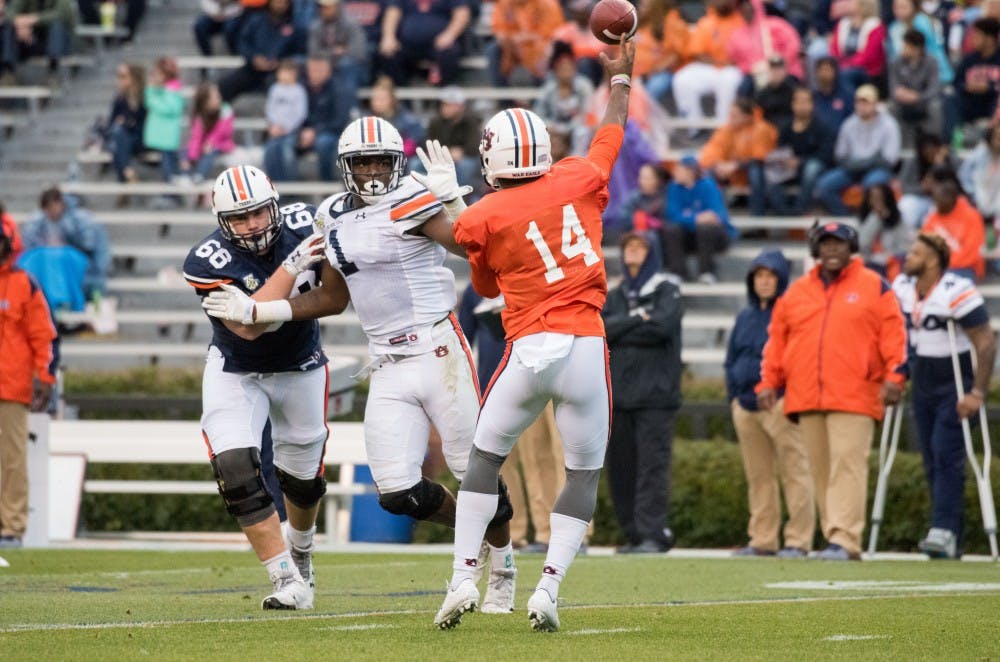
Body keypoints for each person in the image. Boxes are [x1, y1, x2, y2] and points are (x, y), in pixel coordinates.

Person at [202, 120, 516, 612]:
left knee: (470, 468)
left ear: (398, 162)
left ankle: (503, 565)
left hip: (438, 350)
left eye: (379, 161)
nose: (371, 171)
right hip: (386, 359)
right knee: (396, 493)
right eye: (362, 162)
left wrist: (455, 203)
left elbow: (475, 250)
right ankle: (476, 535)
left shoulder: (415, 195)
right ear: (346, 168)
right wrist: (263, 311)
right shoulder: (331, 213)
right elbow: (330, 297)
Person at [434, 37, 636, 632]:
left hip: (531, 347)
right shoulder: (577, 176)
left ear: (492, 159)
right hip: (586, 344)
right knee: (583, 473)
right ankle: (548, 589)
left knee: (483, 459)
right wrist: (620, 78)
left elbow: (478, 274)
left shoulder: (483, 215)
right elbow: (611, 132)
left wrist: (449, 200)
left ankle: (463, 577)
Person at [182, 165, 331, 610]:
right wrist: (291, 266)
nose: (253, 225)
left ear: (276, 205)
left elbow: (336, 291)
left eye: (260, 213)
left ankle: (301, 552)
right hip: (237, 368)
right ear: (222, 221)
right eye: (240, 218)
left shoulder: (309, 222)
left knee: (303, 483)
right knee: (234, 466)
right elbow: (247, 329)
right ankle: (285, 578)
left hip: (301, 365)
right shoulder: (207, 259)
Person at [756, 221, 908, 561]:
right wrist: (768, 381)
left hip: (856, 394)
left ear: (851, 246)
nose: (832, 250)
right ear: (815, 249)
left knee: (847, 466)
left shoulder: (874, 286)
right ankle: (834, 537)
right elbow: (777, 342)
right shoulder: (796, 292)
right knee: (822, 470)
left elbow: (894, 336)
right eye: (825, 244)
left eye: (839, 243)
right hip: (807, 395)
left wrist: (895, 376)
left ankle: (845, 538)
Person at [892, 233, 997, 558]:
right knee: (930, 456)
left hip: (955, 380)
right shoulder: (902, 288)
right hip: (922, 378)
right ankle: (950, 534)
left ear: (934, 258)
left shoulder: (956, 290)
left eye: (915, 252)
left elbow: (985, 340)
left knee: (945, 452)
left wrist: (978, 392)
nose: (908, 256)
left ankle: (944, 529)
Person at [725, 249, 815, 558]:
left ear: (781, 280)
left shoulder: (792, 313)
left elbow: (798, 357)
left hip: (778, 403)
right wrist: (733, 397)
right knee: (758, 477)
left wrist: (786, 396)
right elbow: (732, 358)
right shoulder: (745, 316)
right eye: (759, 276)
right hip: (746, 407)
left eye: (770, 276)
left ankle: (798, 540)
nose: (764, 282)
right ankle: (763, 539)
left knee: (795, 471)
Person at [602, 231, 682, 555]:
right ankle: (633, 533)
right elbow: (603, 329)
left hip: (656, 398)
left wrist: (623, 327)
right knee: (620, 469)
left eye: (640, 246)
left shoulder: (667, 289)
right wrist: (638, 318)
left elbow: (663, 327)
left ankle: (653, 532)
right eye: (628, 246)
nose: (633, 251)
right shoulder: (617, 293)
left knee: (652, 468)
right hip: (620, 397)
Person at [0, 221, 57, 548]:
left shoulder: (25, 284)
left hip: (12, 385)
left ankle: (11, 527)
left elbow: (42, 335)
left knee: (12, 460)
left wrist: (45, 377)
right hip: (12, 382)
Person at [813, 84, 902, 216]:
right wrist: (861, 163)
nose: (862, 106)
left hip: (878, 169)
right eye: (859, 102)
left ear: (876, 103)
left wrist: (863, 163)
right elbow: (840, 155)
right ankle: (845, 218)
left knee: (872, 185)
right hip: (852, 169)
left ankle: (865, 221)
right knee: (823, 186)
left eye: (866, 102)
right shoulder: (849, 124)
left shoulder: (889, 124)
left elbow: (889, 159)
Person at [19, 187, 111, 309]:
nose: (50, 213)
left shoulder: (82, 219)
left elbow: (88, 248)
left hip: (77, 263)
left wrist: (63, 247)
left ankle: (61, 300)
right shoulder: (38, 221)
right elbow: (29, 247)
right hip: (47, 264)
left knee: (57, 256)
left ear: (59, 203)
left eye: (52, 208)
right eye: (47, 210)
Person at [663, 155, 737, 283]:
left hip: (713, 237)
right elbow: (672, 215)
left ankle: (707, 272)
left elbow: (718, 215)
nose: (675, 173)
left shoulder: (708, 185)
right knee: (672, 229)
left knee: (705, 228)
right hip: (689, 236)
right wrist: (696, 218)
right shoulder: (673, 188)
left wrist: (689, 218)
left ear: (690, 172)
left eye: (679, 170)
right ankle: (678, 272)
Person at [379, 0, 472, 87]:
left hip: (440, 43)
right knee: (389, 53)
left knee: (449, 53)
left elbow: (462, 12)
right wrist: (388, 37)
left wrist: (450, 35)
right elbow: (392, 12)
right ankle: (403, 99)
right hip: (408, 43)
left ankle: (443, 97)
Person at [922, 165, 986, 281]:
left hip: (966, 268)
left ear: (952, 199)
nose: (937, 205)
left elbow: (971, 253)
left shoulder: (971, 215)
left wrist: (946, 265)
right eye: (935, 201)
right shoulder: (933, 217)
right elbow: (925, 246)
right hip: (938, 268)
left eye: (940, 201)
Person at [858, 182, 913, 278]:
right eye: (873, 198)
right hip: (868, 264)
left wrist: (887, 218)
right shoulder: (864, 219)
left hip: (892, 264)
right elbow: (862, 244)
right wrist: (875, 218)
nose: (876, 202)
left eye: (880, 198)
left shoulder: (898, 219)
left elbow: (905, 247)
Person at [184, 81, 234, 183]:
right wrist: (192, 157)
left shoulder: (226, 111)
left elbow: (223, 132)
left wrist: (211, 143)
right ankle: (187, 174)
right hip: (205, 147)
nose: (219, 98)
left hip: (222, 145)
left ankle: (200, 175)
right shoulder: (200, 118)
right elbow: (196, 138)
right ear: (205, 102)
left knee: (211, 151)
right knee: (186, 152)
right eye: (215, 96)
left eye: (218, 95)